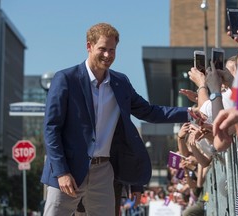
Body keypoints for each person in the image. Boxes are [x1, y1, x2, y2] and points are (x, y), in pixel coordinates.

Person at [41, 22, 190, 216]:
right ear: (89, 46)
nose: (107, 55)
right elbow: (51, 129)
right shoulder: (66, 79)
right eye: (102, 49)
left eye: (112, 50)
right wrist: (61, 172)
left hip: (103, 171)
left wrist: (189, 112)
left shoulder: (121, 83)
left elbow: (150, 112)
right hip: (69, 170)